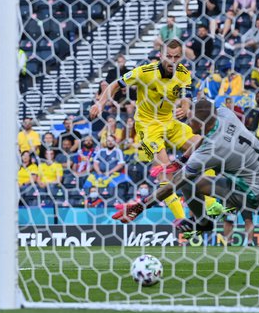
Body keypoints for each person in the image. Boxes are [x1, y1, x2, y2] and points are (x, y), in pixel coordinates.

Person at [114, 99, 259, 285]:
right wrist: (180, 159)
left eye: (191, 120)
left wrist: (139, 206)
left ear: (200, 122)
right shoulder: (225, 115)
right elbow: (205, 118)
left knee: (186, 181)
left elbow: (175, 183)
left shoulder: (210, 148)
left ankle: (203, 221)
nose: (188, 123)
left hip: (255, 190)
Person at [90, 39, 224, 220]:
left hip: (170, 122)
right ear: (161, 55)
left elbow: (187, 96)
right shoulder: (144, 72)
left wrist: (185, 108)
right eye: (169, 56)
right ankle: (181, 220)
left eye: (176, 57)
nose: (172, 61)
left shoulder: (183, 73)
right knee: (164, 172)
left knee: (205, 147)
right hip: (148, 126)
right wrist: (100, 103)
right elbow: (115, 85)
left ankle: (211, 204)